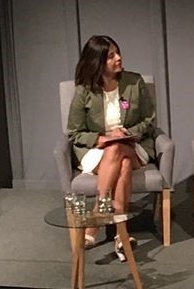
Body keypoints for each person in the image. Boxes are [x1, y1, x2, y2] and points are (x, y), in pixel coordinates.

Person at [66, 35, 155, 255]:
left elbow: (149, 119)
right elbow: (74, 132)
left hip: (133, 145)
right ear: (97, 62)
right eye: (111, 56)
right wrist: (102, 139)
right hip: (97, 150)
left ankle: (98, 214)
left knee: (118, 149)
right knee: (122, 163)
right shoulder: (84, 90)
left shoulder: (134, 82)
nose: (118, 58)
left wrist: (126, 133)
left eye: (118, 52)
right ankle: (121, 234)